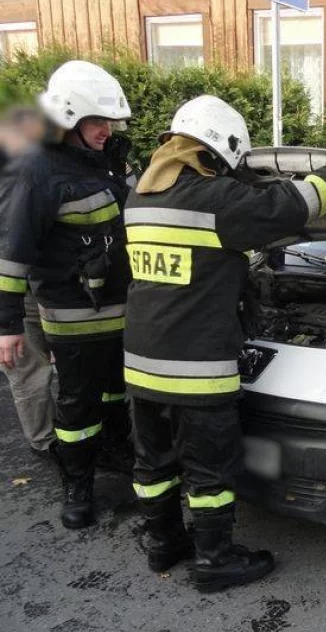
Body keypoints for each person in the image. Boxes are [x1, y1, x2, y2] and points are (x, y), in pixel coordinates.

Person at [123, 95, 326, 592]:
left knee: (154, 462)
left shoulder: (140, 197)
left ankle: (163, 543)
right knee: (210, 470)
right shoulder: (217, 200)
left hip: (142, 363)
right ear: (219, 151)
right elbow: (296, 205)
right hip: (196, 368)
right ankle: (215, 561)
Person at [0, 61, 136, 529]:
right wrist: (7, 326)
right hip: (73, 315)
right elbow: (13, 253)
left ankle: (114, 450)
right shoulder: (38, 173)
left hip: (120, 307)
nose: (106, 130)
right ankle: (77, 487)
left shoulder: (105, 161)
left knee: (116, 390)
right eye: (97, 121)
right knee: (79, 404)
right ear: (69, 119)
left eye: (109, 121)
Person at [0, 107, 56, 460]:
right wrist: (6, 324)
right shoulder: (19, 177)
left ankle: (50, 437)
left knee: (35, 363)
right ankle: (46, 442)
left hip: (37, 281)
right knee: (28, 366)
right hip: (18, 287)